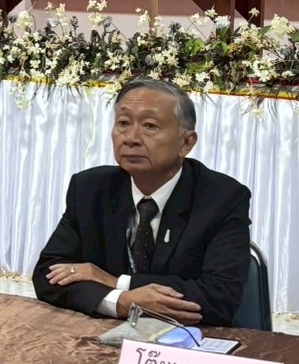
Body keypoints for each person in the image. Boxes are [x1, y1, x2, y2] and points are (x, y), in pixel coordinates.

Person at [32, 76, 251, 327]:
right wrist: (122, 301)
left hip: (186, 344)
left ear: (186, 143)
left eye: (150, 126)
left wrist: (115, 282)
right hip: (100, 339)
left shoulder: (222, 197)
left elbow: (219, 297)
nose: (131, 138)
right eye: (123, 123)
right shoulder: (90, 188)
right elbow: (48, 274)